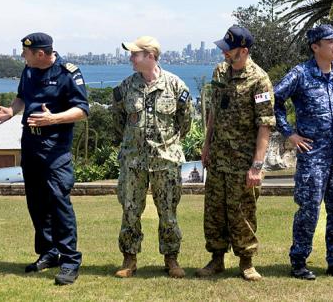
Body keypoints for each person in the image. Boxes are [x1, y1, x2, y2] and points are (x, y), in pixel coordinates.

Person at [0, 33, 88, 286]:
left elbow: (82, 109)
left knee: (58, 201)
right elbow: (22, 96)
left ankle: (69, 260)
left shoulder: (68, 72)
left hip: (54, 147)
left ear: (41, 54)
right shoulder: (29, 70)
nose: (23, 56)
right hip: (30, 143)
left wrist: (53, 118)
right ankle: (49, 252)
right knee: (36, 201)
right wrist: (12, 110)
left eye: (26, 53)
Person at [273, 25, 333, 281]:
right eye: (330, 42)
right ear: (315, 46)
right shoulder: (300, 74)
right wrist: (289, 133)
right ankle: (299, 260)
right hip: (313, 157)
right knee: (309, 208)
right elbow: (274, 101)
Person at [196, 25, 275, 282]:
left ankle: (246, 261)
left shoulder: (259, 80)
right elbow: (214, 113)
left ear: (243, 51)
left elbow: (265, 124)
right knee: (214, 212)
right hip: (218, 158)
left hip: (243, 162)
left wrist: (257, 165)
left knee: (242, 212)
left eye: (228, 50)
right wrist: (206, 146)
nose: (224, 54)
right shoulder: (220, 72)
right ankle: (216, 259)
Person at [110, 36, 193, 279]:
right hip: (133, 162)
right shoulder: (125, 87)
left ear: (151, 56)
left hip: (165, 160)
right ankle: (129, 259)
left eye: (135, 54)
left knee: (168, 213)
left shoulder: (176, 86)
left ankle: (171, 259)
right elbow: (118, 123)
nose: (130, 58)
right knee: (130, 211)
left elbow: (185, 122)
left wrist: (167, 144)